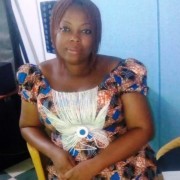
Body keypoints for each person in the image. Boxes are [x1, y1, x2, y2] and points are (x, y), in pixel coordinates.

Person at [17, 0, 157, 179]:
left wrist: (94, 165)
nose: (75, 37)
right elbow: (28, 126)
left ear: (96, 36)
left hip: (125, 166)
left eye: (86, 31)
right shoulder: (33, 77)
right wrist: (55, 153)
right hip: (68, 171)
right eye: (65, 29)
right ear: (53, 31)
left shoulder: (122, 73)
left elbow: (143, 129)